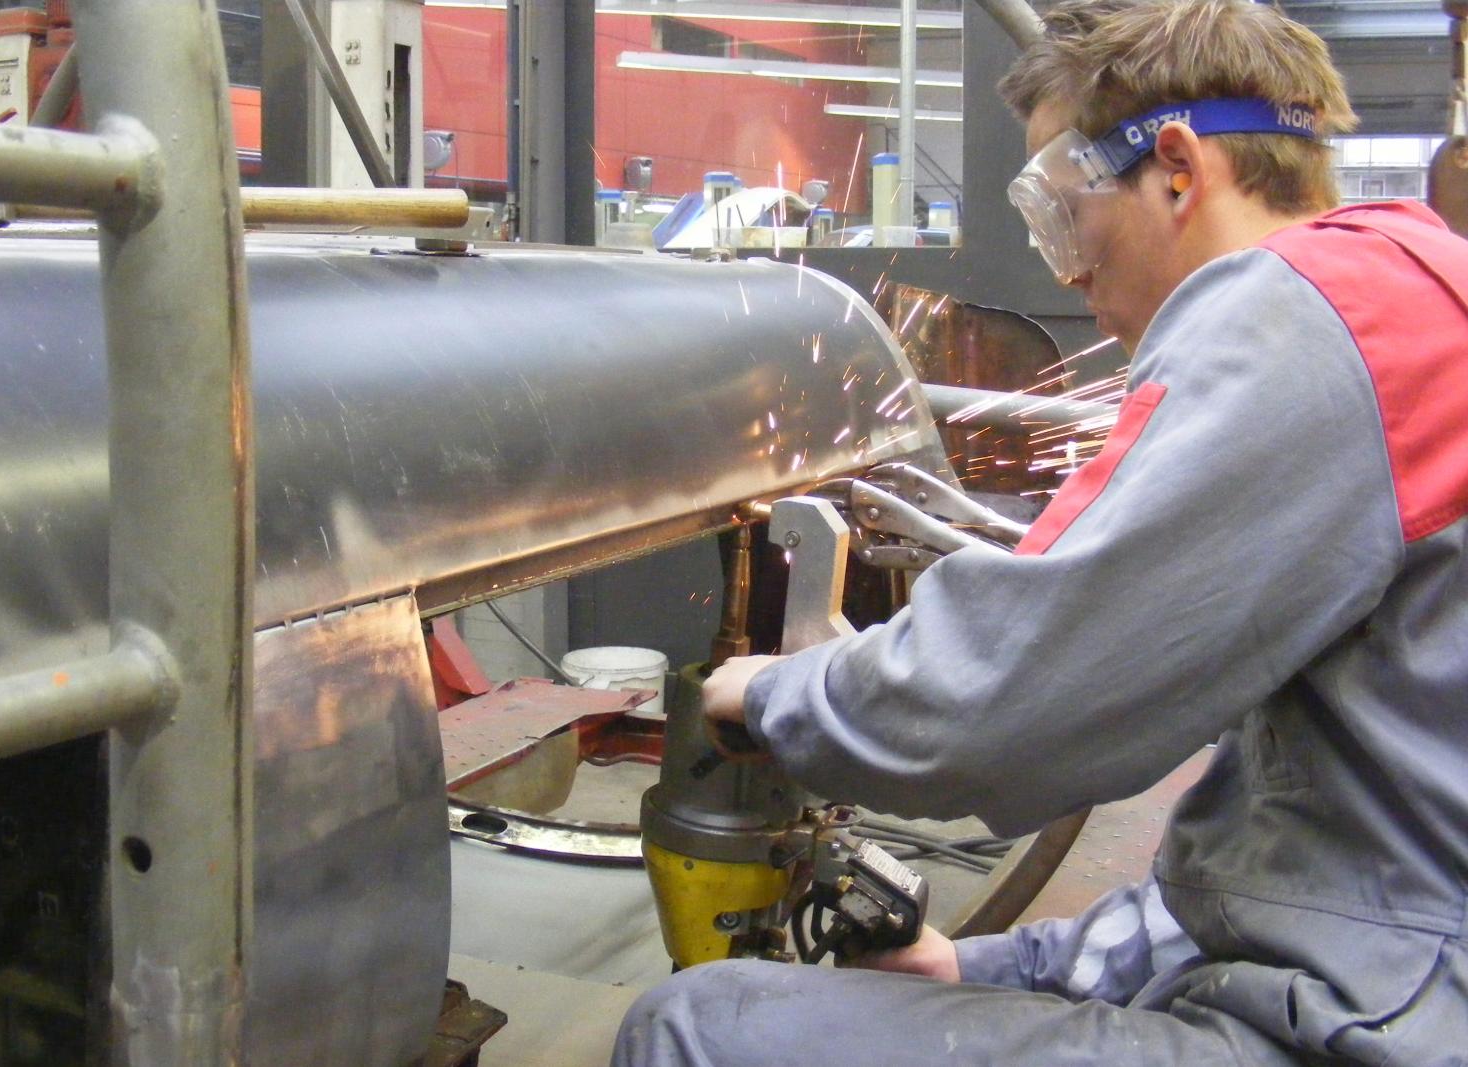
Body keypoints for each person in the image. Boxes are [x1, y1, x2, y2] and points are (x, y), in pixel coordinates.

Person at [612, 0, 1468, 1063]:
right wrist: (994, 966)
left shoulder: (1306, 322)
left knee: (696, 1027)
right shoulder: (1415, 290)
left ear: (1176, 167)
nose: (1066, 270)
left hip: (1391, 1028)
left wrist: (778, 695)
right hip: (1389, 984)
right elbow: (1285, 866)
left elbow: (1009, 695)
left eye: (1066, 209)